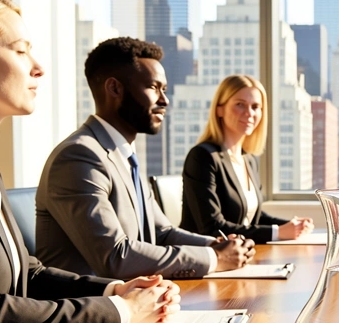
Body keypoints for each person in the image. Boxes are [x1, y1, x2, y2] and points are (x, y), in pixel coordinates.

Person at [0, 0, 181, 323]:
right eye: (19, 51)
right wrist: (124, 313)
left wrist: (114, 291)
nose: (38, 68)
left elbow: (26, 276)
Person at [37, 38, 254, 280]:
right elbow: (115, 256)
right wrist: (215, 259)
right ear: (114, 89)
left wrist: (217, 245)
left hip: (141, 299)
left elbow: (162, 232)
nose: (165, 100)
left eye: (165, 90)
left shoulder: (124, 155)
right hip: (91, 308)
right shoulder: (79, 157)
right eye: (154, 87)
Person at [180, 74, 314, 243]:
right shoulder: (203, 157)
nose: (249, 113)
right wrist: (277, 232)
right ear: (219, 109)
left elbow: (252, 217)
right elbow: (213, 227)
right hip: (205, 258)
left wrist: (291, 226)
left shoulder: (247, 159)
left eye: (256, 106)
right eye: (240, 105)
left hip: (238, 255)